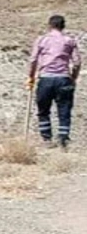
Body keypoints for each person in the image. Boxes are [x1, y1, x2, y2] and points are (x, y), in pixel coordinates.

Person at [28, 15, 81, 149]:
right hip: (64, 79)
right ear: (63, 26)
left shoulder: (42, 40)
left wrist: (31, 76)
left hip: (45, 79)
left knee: (43, 110)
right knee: (64, 110)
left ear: (50, 25)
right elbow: (77, 62)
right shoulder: (69, 41)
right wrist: (73, 77)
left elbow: (33, 60)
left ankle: (47, 139)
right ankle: (63, 139)